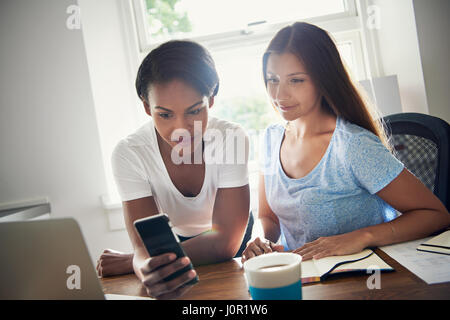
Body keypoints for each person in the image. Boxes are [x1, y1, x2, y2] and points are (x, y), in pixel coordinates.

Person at [241, 22, 450, 262]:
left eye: (296, 80)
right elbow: (269, 217)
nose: (279, 95)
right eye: (272, 79)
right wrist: (260, 238)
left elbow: (435, 214)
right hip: (304, 278)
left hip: (365, 278)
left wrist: (361, 237)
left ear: (323, 79)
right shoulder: (270, 139)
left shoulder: (353, 146)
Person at [97, 40, 252, 299]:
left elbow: (226, 243)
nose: (181, 129)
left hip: (233, 245)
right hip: (172, 244)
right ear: (147, 107)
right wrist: (144, 262)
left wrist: (135, 261)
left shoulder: (231, 138)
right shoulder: (129, 153)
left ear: (211, 100)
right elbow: (144, 246)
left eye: (194, 111)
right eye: (165, 115)